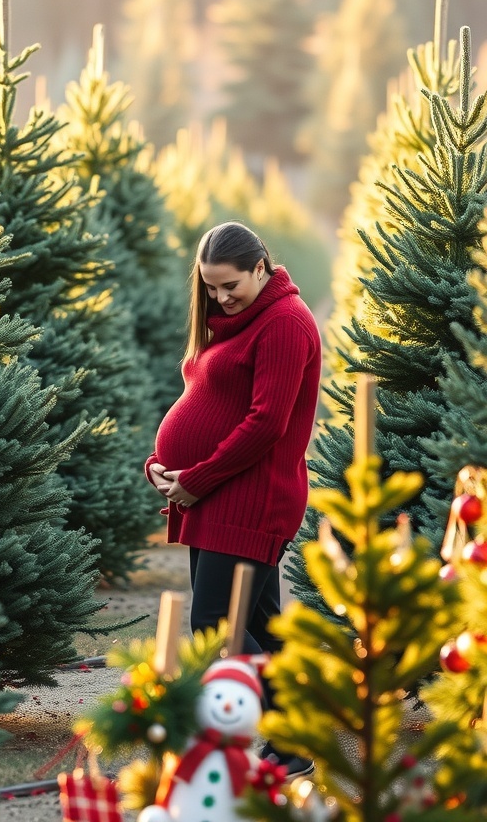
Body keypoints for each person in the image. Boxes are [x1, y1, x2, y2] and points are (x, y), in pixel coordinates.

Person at [145, 221, 322, 777]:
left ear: (262, 267)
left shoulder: (286, 324)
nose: (220, 299)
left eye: (231, 286)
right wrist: (163, 466)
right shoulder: (236, 323)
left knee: (216, 623)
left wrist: (196, 477)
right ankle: (295, 738)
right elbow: (205, 397)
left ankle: (291, 737)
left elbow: (267, 422)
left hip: (251, 498)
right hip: (216, 493)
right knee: (263, 623)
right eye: (210, 288)